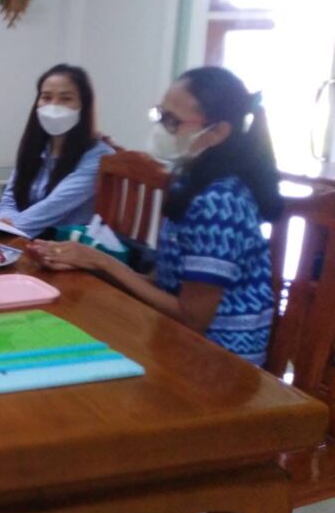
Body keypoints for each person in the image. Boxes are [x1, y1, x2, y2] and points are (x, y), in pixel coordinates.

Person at [28, 66, 282, 365]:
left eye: (172, 121)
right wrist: (85, 261)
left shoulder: (219, 203)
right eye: (160, 115)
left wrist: (100, 261)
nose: (162, 128)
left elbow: (192, 318)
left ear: (217, 132)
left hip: (220, 361)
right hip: (178, 337)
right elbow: (160, 282)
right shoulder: (191, 181)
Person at [0, 64, 114, 237]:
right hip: (26, 238)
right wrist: (4, 221)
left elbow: (49, 210)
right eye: (46, 97)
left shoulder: (98, 156)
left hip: (65, 246)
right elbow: (9, 198)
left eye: (66, 99)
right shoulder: (36, 148)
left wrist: (5, 229)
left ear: (84, 105)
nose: (53, 106)